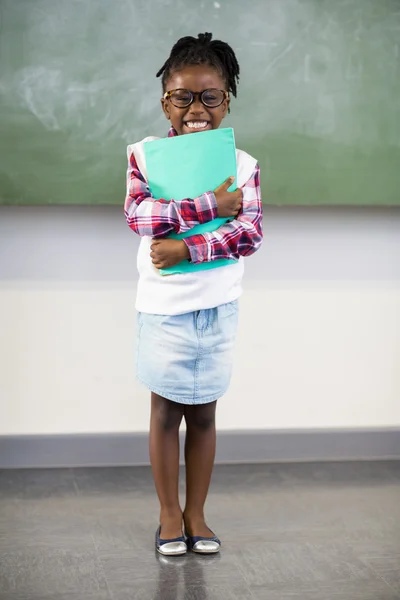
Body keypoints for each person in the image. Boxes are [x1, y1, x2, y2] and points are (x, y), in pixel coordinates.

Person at [124, 32, 263, 556]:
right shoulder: (146, 155)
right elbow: (142, 216)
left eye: (211, 96)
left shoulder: (244, 164)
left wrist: (187, 251)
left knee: (204, 412)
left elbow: (247, 233)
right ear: (166, 100)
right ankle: (166, 514)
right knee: (165, 410)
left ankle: (196, 514)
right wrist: (211, 205)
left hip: (218, 305)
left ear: (227, 99)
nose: (196, 109)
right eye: (183, 97)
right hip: (163, 309)